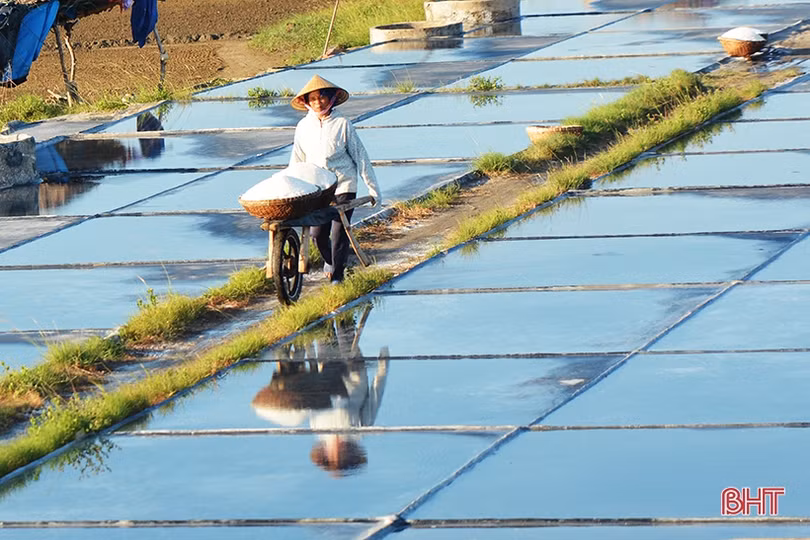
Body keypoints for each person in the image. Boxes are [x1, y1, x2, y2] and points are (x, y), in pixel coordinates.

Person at [289, 75, 381, 284]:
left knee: (339, 231)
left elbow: (360, 156)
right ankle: (333, 262)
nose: (318, 103)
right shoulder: (303, 127)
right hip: (318, 187)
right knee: (317, 234)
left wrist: (373, 189)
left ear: (331, 99)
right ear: (306, 102)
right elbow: (297, 160)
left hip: (344, 184)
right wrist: (293, 189)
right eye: (313, 99)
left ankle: (337, 278)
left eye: (322, 98)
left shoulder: (342, 123)